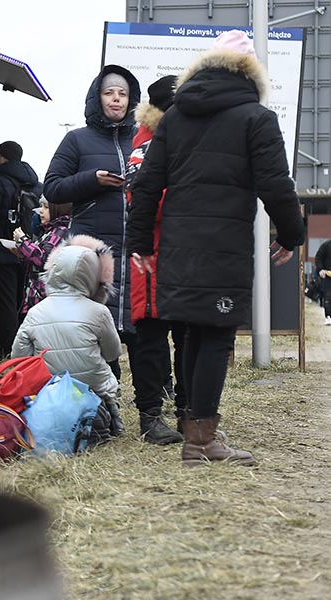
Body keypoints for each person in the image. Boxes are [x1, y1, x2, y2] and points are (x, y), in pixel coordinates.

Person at [127, 30, 306, 466]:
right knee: (214, 334)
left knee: (191, 330)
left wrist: (139, 244)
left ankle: (196, 427)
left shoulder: (173, 117)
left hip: (175, 244)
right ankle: (201, 440)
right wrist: (292, 233)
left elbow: (147, 183)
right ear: (251, 73)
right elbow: (276, 184)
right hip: (223, 244)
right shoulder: (255, 117)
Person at [43, 64, 140, 437]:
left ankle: (150, 412)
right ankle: (100, 413)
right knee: (92, 331)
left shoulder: (144, 138)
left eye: (122, 94)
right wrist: (92, 181)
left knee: (141, 333)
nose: (116, 100)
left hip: (137, 250)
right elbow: (53, 187)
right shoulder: (77, 141)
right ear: (97, 98)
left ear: (131, 99)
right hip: (94, 253)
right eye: (109, 93)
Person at [122, 75, 185, 445]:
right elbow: (143, 200)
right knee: (149, 338)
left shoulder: (187, 137)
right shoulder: (145, 143)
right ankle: (150, 417)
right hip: (153, 257)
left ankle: (188, 413)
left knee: (189, 337)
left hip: (185, 255)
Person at [11, 234, 121, 444]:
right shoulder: (99, 312)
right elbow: (112, 353)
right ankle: (110, 416)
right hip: (94, 389)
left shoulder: (35, 312)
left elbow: (19, 357)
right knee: (106, 374)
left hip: (51, 391)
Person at [0, 141, 41, 358]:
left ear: (4, 157)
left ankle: (10, 353)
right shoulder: (33, 184)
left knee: (3, 306)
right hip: (25, 251)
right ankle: (27, 350)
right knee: (21, 304)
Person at [11, 197, 72, 316]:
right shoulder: (49, 230)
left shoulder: (60, 231)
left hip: (43, 300)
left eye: (46, 207)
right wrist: (23, 254)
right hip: (35, 297)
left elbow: (45, 259)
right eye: (41, 206)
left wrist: (23, 242)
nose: (41, 211)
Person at [315, 238, 331, 324]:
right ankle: (328, 317)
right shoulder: (326, 245)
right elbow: (318, 257)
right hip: (328, 276)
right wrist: (320, 269)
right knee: (328, 297)